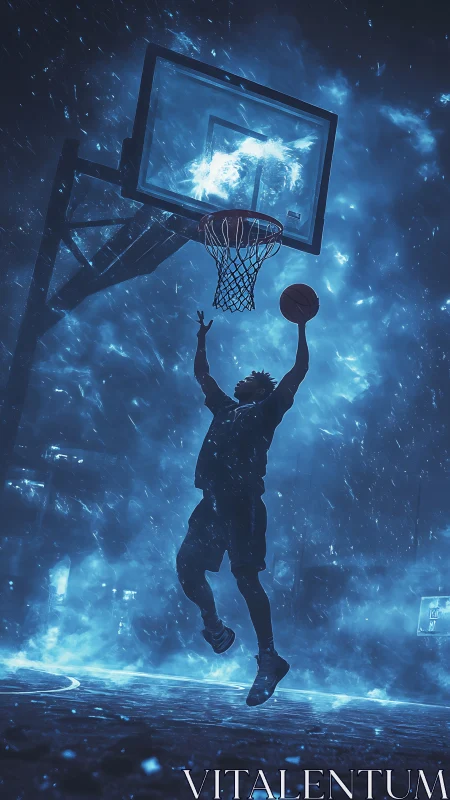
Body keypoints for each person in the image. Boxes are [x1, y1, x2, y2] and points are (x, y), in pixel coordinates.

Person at [176, 309, 310, 706]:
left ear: (260, 389)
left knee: (247, 580)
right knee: (186, 566)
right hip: (212, 502)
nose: (242, 377)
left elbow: (298, 369)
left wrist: (301, 328)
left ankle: (269, 658)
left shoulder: (268, 410)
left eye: (249, 377)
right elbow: (202, 375)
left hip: (242, 503)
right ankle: (215, 627)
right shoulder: (225, 408)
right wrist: (201, 339)